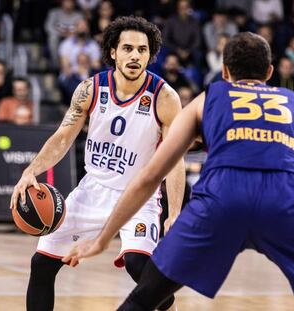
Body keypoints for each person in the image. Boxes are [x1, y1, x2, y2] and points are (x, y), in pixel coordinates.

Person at [64, 32, 294, 311]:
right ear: (269, 72)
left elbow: (150, 176)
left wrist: (102, 239)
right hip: (286, 204)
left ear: (225, 71)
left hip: (221, 202)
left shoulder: (207, 100)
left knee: (144, 299)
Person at [10, 16, 185, 311]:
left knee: (139, 265)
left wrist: (174, 212)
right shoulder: (90, 89)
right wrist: (31, 171)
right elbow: (63, 137)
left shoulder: (164, 97)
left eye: (142, 50)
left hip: (139, 197)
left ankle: (168, 307)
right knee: (41, 264)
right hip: (93, 190)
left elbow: (175, 159)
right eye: (127, 48)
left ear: (150, 54)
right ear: (113, 52)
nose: (135, 56)